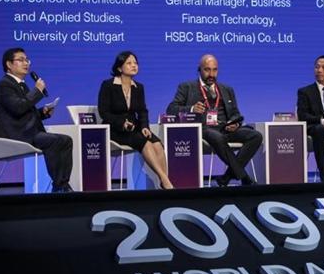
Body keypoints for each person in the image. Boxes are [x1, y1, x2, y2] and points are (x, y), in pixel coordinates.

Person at [166, 54, 261, 186]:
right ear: (199, 70)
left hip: (225, 129)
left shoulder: (227, 89)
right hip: (204, 129)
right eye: (207, 70)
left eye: (214, 70)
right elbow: (171, 109)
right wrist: (192, 108)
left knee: (256, 136)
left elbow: (235, 113)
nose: (211, 74)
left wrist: (235, 123)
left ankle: (226, 178)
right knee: (217, 137)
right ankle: (244, 177)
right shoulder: (187, 87)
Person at [0, 48, 73, 193]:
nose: (26, 63)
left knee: (66, 140)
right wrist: (37, 91)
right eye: (21, 60)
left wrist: (43, 112)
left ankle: (62, 184)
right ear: (9, 64)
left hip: (27, 132)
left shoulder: (22, 85)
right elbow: (18, 108)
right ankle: (60, 186)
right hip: (15, 134)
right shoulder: (4, 85)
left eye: (27, 60)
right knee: (54, 141)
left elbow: (26, 111)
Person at [98, 51, 174, 190]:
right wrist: (122, 123)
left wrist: (145, 126)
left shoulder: (139, 87)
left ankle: (164, 182)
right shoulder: (108, 85)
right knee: (145, 143)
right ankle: (165, 181)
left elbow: (142, 111)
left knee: (157, 144)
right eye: (129, 63)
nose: (134, 66)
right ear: (119, 68)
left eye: (135, 63)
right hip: (115, 129)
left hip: (134, 127)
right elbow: (104, 112)